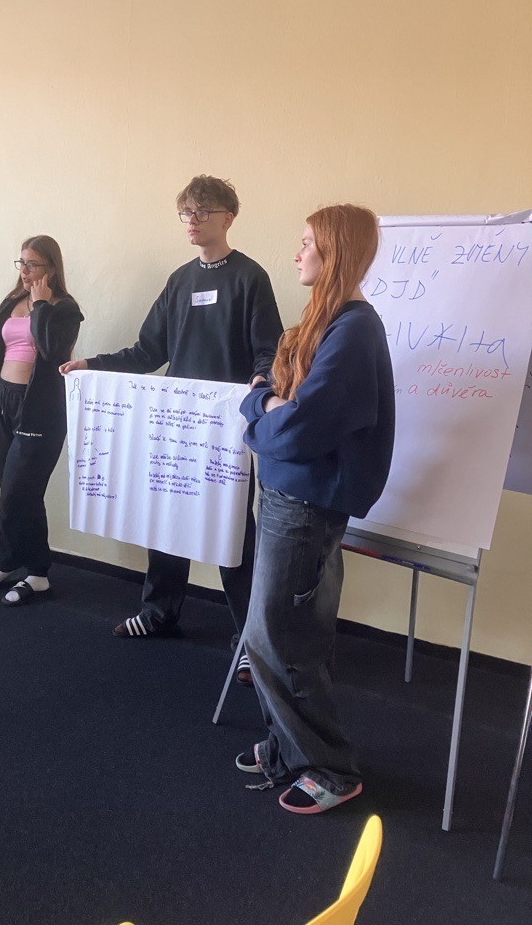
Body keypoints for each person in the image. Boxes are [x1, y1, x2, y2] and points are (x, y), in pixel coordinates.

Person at [61, 175, 282, 653]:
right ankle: (158, 613)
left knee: (233, 532)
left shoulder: (250, 278)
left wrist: (262, 378)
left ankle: (252, 642)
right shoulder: (180, 281)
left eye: (202, 212)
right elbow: (147, 352)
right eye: (186, 212)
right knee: (165, 515)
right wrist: (90, 365)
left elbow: (269, 350)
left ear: (228, 218)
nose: (192, 221)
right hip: (173, 423)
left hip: (225, 431)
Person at [235, 203, 395, 814]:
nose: (297, 253)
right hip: (290, 495)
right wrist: (266, 406)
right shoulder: (328, 322)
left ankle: (330, 767)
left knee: (278, 638)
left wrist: (260, 413)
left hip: (304, 503)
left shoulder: (353, 331)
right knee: (284, 634)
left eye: (308, 243)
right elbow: (271, 397)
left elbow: (300, 427)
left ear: (335, 251)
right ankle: (286, 747)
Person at [0, 235, 83, 606]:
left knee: (17, 493)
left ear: (51, 269)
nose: (25, 271)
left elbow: (53, 349)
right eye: (22, 263)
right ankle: (24, 568)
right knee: (18, 494)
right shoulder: (11, 302)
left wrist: (40, 304)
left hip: (39, 410)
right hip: (2, 403)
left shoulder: (65, 309)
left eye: (33, 265)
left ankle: (21, 567)